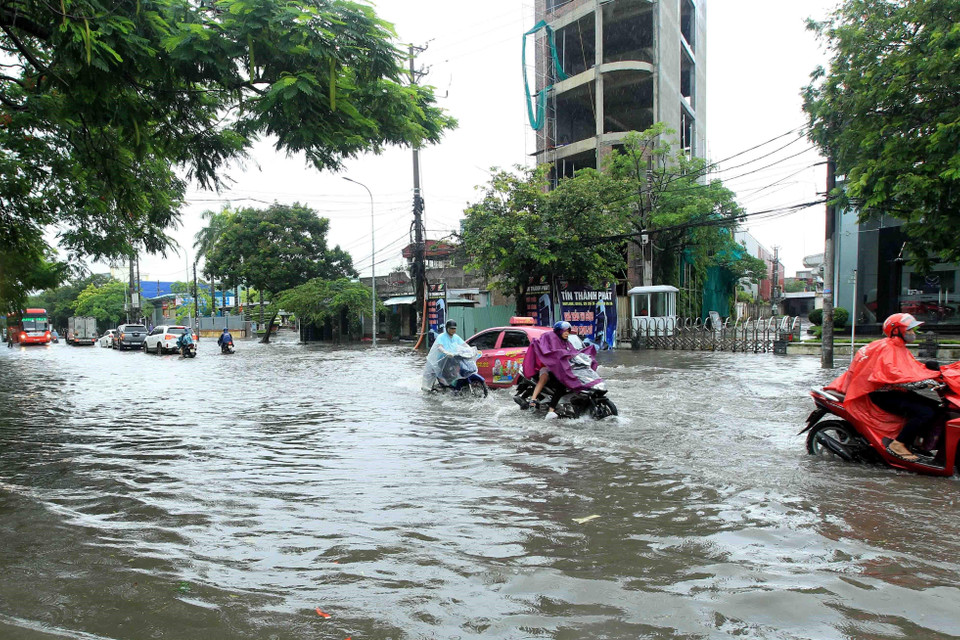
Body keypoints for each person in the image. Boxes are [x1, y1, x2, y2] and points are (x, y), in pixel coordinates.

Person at [825, 312, 941, 462]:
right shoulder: (886, 348)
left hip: (896, 391)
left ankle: (918, 443)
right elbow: (891, 376)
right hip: (881, 394)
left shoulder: (899, 347)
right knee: (924, 412)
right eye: (910, 330)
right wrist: (922, 383)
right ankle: (898, 445)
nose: (913, 333)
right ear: (897, 330)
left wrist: (935, 374)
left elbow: (911, 369)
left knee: (936, 407)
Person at [519, 321, 598, 419]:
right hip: (547, 365)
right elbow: (544, 348)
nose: (567, 333)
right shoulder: (549, 336)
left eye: (568, 331)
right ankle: (538, 403)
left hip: (561, 368)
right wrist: (556, 354)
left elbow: (573, 353)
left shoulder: (566, 342)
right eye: (565, 331)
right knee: (547, 378)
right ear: (559, 331)